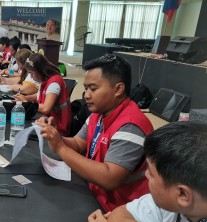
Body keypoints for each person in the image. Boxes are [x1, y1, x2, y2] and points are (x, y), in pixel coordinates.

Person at [37, 54, 154, 212]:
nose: (86, 95)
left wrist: (60, 148)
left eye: (93, 88)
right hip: (93, 194)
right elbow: (78, 144)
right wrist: (55, 136)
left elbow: (109, 178)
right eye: (85, 89)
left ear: (118, 89)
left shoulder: (131, 126)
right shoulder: (97, 114)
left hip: (117, 211)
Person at [88, 121, 207, 222]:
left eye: (151, 172)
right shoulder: (172, 202)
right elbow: (118, 215)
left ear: (182, 194)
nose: (145, 175)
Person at [15, 53, 71, 136]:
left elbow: (46, 108)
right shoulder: (45, 80)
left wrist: (26, 103)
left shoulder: (54, 83)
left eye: (32, 73)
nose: (31, 77)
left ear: (39, 71)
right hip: (47, 122)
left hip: (58, 129)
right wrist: (25, 98)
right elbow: (39, 95)